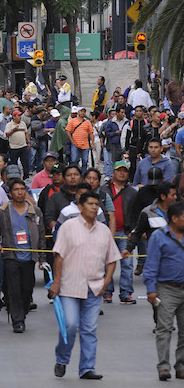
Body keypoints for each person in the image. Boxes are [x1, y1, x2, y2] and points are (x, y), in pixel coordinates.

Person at [49, 191, 122, 380]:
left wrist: (106, 282)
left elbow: (112, 259)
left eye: (96, 204)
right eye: (90, 204)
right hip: (69, 286)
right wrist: (56, 283)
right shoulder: (68, 227)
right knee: (71, 325)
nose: (94, 207)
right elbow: (59, 255)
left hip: (95, 287)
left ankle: (87, 368)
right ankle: (62, 359)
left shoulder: (104, 231)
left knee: (89, 329)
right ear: (80, 207)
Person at [0, 179, 47, 333]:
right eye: (16, 189)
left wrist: (42, 258)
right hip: (11, 257)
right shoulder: (2, 212)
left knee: (27, 289)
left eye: (23, 189)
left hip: (29, 257)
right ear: (10, 193)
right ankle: (18, 320)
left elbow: (41, 235)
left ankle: (22, 312)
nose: (20, 192)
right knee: (13, 289)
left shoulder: (35, 211)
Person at [142, 201, 184, 381]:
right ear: (174, 219)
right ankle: (164, 366)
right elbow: (151, 265)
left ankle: (181, 365)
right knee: (164, 329)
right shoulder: (158, 237)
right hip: (167, 288)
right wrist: (151, 290)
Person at [100, 160, 138, 304]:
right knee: (106, 263)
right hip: (107, 232)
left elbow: (136, 214)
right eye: (119, 170)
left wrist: (133, 232)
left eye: (125, 171)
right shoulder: (103, 190)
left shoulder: (132, 192)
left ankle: (126, 293)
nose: (122, 173)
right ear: (113, 172)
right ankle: (107, 292)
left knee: (127, 263)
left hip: (125, 233)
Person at [65, 106, 94, 173]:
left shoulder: (88, 122)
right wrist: (72, 141)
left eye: (84, 111)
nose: (83, 113)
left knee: (85, 161)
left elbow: (91, 133)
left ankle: (83, 175)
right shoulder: (72, 121)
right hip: (75, 143)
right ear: (78, 112)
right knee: (74, 160)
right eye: (81, 111)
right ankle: (74, 173)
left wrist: (92, 143)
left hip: (85, 144)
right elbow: (67, 131)